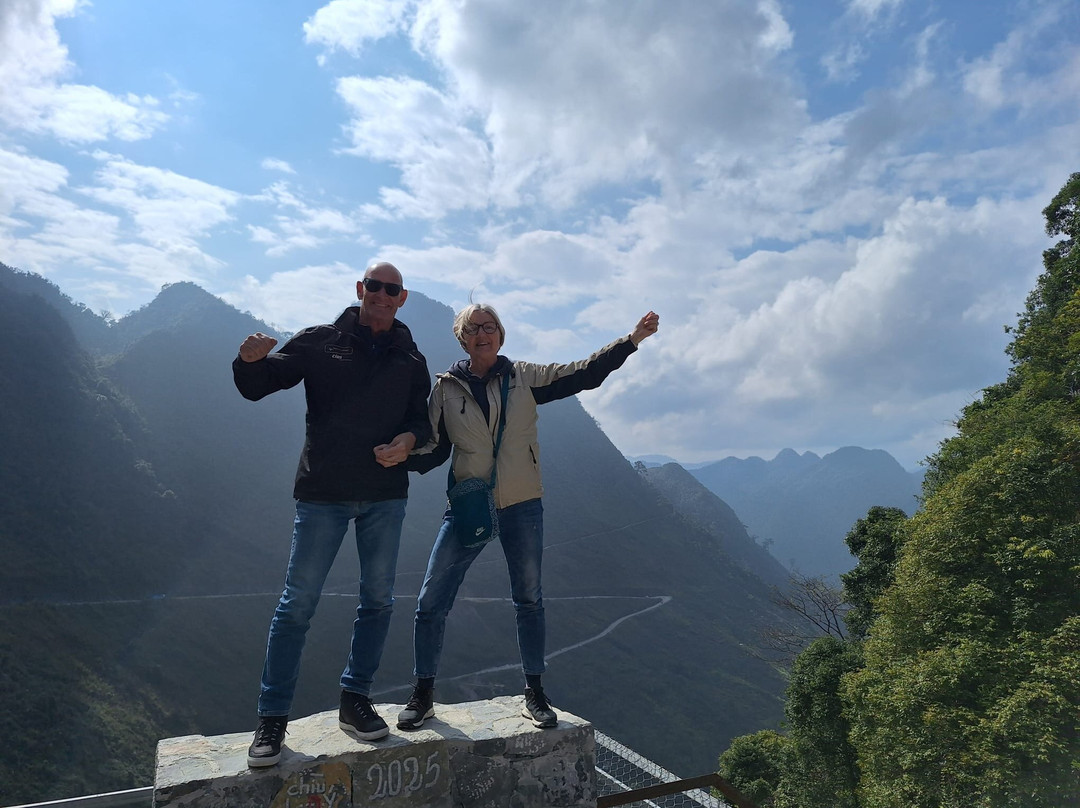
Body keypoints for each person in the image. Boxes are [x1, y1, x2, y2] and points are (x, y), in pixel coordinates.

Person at [394, 304, 659, 730]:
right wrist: (399, 457)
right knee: (430, 601)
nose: (482, 333)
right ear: (462, 339)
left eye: (490, 326)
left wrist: (632, 341)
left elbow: (583, 373)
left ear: (501, 334)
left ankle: (534, 692)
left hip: (522, 503)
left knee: (529, 599)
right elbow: (435, 448)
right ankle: (423, 693)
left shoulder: (524, 377)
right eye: (473, 328)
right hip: (468, 505)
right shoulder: (446, 390)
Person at [232, 261, 432, 767]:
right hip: (323, 494)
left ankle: (355, 700)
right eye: (375, 286)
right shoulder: (320, 341)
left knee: (378, 601)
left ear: (402, 297)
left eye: (392, 289)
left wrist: (407, 441)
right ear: (360, 289)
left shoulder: (411, 358)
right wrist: (249, 361)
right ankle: (271, 720)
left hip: (385, 494)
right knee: (297, 604)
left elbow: (421, 421)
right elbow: (262, 382)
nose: (382, 295)